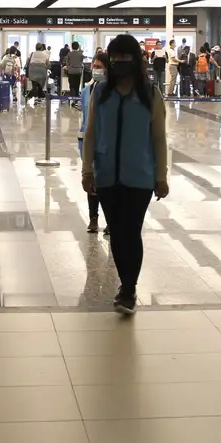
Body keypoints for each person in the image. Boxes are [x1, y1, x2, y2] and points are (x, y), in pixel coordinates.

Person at [81, 35, 169, 316]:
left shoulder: (150, 93)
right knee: (117, 232)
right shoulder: (101, 91)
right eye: (114, 58)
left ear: (136, 60)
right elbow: (91, 132)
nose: (119, 63)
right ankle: (126, 284)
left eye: (124, 57)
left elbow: (158, 138)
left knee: (131, 231)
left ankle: (128, 288)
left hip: (140, 175)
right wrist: (87, 169)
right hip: (107, 173)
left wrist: (161, 175)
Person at [79, 53, 110, 233]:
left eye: (99, 66)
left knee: (105, 183)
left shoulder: (111, 91)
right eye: (94, 66)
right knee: (90, 182)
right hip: (89, 142)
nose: (95, 69)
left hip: (106, 143)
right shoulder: (86, 90)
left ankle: (110, 220)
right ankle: (93, 218)